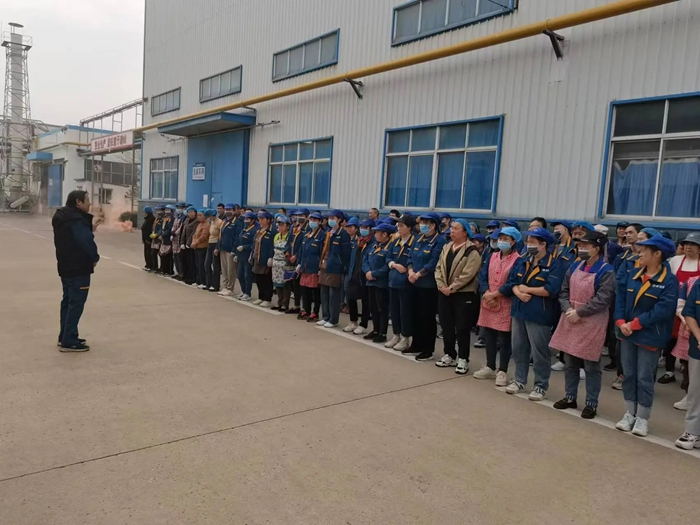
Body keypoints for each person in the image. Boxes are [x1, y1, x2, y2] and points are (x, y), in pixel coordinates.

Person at [614, 236, 678, 437]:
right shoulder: (634, 274)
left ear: (657, 254)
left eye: (644, 251)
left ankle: (642, 417)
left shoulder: (669, 280)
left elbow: (663, 309)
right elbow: (620, 299)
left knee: (644, 377)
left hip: (649, 336)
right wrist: (620, 322)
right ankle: (629, 413)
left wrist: (635, 324)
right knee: (628, 375)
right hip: (627, 333)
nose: (639, 253)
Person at [550, 231, 615, 419]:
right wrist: (568, 309)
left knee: (591, 365)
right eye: (580, 245)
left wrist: (580, 312)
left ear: (597, 249)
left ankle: (591, 403)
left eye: (586, 246)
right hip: (570, 317)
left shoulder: (606, 271)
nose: (581, 249)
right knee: (570, 362)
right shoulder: (575, 266)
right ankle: (570, 396)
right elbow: (563, 291)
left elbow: (602, 299)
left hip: (592, 322)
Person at [505, 227, 564, 401]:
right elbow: (512, 281)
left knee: (539, 352)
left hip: (539, 314)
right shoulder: (523, 260)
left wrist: (528, 289)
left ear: (543, 244)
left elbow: (551, 290)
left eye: (532, 242)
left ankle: (540, 385)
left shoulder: (554, 264)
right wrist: (518, 292)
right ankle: (519, 380)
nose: (528, 244)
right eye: (528, 241)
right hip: (519, 310)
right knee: (519, 348)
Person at [52, 190, 100, 352]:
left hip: (65, 266)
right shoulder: (76, 220)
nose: (89, 203)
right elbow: (85, 240)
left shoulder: (63, 217)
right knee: (76, 304)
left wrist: (89, 228)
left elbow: (71, 236)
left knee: (68, 301)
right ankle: (69, 341)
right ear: (78, 202)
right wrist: (95, 257)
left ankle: (65, 335)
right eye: (87, 200)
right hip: (78, 267)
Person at [474, 226, 522, 385]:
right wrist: (486, 292)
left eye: (505, 239)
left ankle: (502, 371)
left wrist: (496, 294)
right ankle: (490, 366)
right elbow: (482, 276)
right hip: (488, 299)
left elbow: (514, 281)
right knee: (489, 334)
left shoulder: (518, 260)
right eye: (500, 238)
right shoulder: (491, 256)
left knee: (504, 338)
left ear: (513, 241)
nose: (501, 242)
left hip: (505, 301)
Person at [434, 219, 482, 375]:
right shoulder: (447, 247)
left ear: (465, 232)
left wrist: (452, 288)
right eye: (451, 228)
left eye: (456, 228)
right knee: (446, 325)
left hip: (463, 294)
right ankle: (449, 354)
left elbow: (468, 274)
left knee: (462, 327)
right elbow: (439, 267)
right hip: (444, 292)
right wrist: (441, 285)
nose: (452, 231)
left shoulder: (472, 251)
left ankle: (463, 358)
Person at [404, 213, 447, 361]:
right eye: (421, 222)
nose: (421, 225)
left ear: (433, 225)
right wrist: (410, 271)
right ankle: (416, 344)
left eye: (425, 223)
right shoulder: (418, 238)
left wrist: (419, 274)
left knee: (427, 317)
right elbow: (410, 256)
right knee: (414, 314)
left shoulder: (439, 241)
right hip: (414, 282)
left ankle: (428, 349)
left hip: (428, 285)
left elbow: (434, 261)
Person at [660, 233, 700, 384]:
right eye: (687, 244)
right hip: (674, 307)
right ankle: (669, 371)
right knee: (671, 340)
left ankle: (687, 375)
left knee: (690, 342)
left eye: (693, 244)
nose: (688, 247)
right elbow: (667, 282)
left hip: (693, 311)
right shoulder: (675, 261)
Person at [386, 214, 417, 351]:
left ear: (409, 227)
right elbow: (388, 257)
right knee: (394, 310)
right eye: (398, 225)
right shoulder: (395, 241)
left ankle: (405, 337)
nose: (398, 228)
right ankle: (396, 335)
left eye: (401, 226)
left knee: (405, 311)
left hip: (406, 282)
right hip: (393, 280)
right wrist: (393, 264)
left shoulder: (414, 242)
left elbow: (413, 260)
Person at [676, 277, 700, 449]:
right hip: (698, 347)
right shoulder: (698, 284)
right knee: (695, 391)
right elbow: (689, 313)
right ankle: (692, 431)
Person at [362, 222, 395, 343]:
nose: (375, 234)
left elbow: (387, 266)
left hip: (381, 282)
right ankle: (375, 330)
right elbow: (365, 260)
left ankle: (382, 332)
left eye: (377, 232)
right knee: (373, 307)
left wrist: (374, 274)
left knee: (382, 308)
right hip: (370, 281)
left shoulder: (390, 247)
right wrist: (367, 271)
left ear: (385, 234)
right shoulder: (373, 245)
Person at [317, 210, 351, 328]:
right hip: (324, 265)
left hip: (335, 267)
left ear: (339, 219)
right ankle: (325, 316)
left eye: (333, 218)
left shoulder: (343, 234)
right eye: (329, 218)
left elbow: (346, 253)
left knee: (333, 295)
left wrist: (342, 265)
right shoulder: (328, 232)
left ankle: (333, 319)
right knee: (324, 293)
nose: (330, 220)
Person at [672, 275, 699, 412]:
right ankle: (689, 396)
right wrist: (687, 321)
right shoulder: (693, 282)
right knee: (688, 366)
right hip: (690, 332)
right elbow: (682, 306)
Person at [345, 218, 373, 335]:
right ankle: (353, 321)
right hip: (353, 272)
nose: (363, 229)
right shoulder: (358, 241)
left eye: (366, 227)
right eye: (361, 227)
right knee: (351, 297)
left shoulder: (372, 243)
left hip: (364, 275)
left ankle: (363, 324)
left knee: (365, 300)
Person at [297, 212, 324, 322]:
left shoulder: (322, 236)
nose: (312, 222)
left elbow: (322, 253)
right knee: (305, 290)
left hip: (314, 267)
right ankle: (306, 310)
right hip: (305, 267)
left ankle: (315, 312)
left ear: (320, 222)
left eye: (315, 220)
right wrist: (299, 263)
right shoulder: (307, 234)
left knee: (315, 291)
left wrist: (320, 268)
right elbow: (301, 251)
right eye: (311, 219)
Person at [285, 208, 309, 314]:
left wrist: (296, 256)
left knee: (301, 284)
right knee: (293, 282)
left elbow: (304, 246)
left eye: (302, 216)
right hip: (290, 259)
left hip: (299, 259)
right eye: (298, 216)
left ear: (307, 217)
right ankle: (296, 305)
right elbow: (288, 240)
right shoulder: (294, 227)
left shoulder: (307, 229)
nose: (299, 218)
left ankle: (303, 307)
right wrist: (287, 252)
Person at [252, 211, 275, 307]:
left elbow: (272, 246)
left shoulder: (271, 232)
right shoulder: (258, 230)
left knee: (266, 279)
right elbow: (254, 243)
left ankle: (267, 298)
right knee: (258, 278)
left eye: (262, 219)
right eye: (259, 218)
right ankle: (260, 297)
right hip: (257, 257)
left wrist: (271, 257)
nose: (260, 220)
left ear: (268, 220)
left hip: (265, 258)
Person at [272, 215, 294, 311]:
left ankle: (285, 304)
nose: (280, 227)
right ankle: (279, 303)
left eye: (282, 225)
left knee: (286, 285)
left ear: (288, 226)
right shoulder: (277, 236)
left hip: (286, 263)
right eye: (279, 225)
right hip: (276, 264)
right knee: (277, 284)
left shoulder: (290, 237)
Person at [217, 204, 241, 296]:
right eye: (226, 209)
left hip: (230, 250)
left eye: (230, 209)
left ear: (234, 211)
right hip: (223, 248)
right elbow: (220, 235)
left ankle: (230, 288)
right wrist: (218, 247)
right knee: (224, 270)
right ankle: (225, 286)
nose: (228, 211)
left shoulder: (237, 223)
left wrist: (234, 250)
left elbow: (237, 238)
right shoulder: (224, 222)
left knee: (231, 270)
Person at [236, 211, 259, 301]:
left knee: (247, 275)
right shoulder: (244, 228)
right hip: (241, 256)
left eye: (248, 219)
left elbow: (253, 244)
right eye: (245, 219)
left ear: (253, 220)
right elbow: (239, 241)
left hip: (248, 255)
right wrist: (236, 253)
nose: (246, 220)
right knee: (240, 275)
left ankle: (248, 293)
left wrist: (244, 247)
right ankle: (243, 291)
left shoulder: (255, 230)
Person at [192, 209, 212, 289]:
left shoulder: (206, 225)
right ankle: (199, 280)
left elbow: (203, 236)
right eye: (198, 215)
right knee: (197, 265)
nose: (199, 217)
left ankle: (204, 282)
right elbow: (195, 235)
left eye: (200, 215)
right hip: (196, 247)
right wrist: (193, 242)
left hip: (203, 247)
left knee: (201, 265)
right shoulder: (199, 224)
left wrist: (195, 243)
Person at [170, 203, 187, 280]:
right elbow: (173, 226)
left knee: (180, 258)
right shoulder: (177, 217)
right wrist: (172, 233)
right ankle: (178, 272)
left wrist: (175, 233)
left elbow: (181, 228)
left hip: (179, 239)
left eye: (180, 207)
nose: (178, 209)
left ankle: (182, 274)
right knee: (175, 257)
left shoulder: (184, 218)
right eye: (177, 207)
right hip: (174, 240)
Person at [182, 206, 199, 285]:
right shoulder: (187, 220)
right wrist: (182, 242)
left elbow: (193, 233)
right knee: (186, 261)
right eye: (189, 212)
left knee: (192, 262)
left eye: (192, 212)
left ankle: (193, 278)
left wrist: (188, 243)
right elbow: (183, 232)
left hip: (191, 244)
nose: (190, 214)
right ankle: (187, 276)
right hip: (185, 243)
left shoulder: (196, 221)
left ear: (195, 213)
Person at [158, 205, 175, 276]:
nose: (167, 212)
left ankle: (169, 270)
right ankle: (163, 268)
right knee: (162, 254)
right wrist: (159, 234)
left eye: (168, 210)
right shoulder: (164, 219)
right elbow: (161, 228)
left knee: (168, 255)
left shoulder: (172, 220)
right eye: (166, 210)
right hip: (163, 239)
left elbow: (170, 229)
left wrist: (163, 235)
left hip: (168, 239)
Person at [151, 205, 166, 272]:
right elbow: (154, 227)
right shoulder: (157, 218)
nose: (157, 212)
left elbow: (162, 228)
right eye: (157, 210)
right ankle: (155, 267)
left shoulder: (164, 219)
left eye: (159, 210)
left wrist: (157, 234)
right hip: (155, 239)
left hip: (160, 239)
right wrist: (153, 233)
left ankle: (162, 268)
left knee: (161, 254)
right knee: (153, 253)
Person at [140, 207, 156, 272]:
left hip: (148, 239)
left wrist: (149, 239)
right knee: (146, 253)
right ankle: (148, 265)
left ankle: (150, 266)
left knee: (148, 253)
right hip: (145, 239)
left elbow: (149, 230)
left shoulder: (151, 219)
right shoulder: (147, 218)